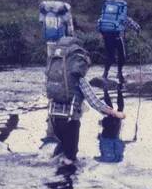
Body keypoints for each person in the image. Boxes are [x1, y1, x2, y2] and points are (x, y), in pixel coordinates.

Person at [45, 34, 125, 166]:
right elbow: (94, 102)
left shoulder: (57, 77)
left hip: (54, 120)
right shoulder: (79, 80)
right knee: (70, 157)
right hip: (70, 121)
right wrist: (115, 113)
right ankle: (65, 182)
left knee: (61, 150)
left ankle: (53, 178)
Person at [97, 1, 141, 83]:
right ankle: (119, 73)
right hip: (117, 36)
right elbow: (131, 24)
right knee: (122, 56)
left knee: (110, 55)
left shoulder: (106, 16)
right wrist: (138, 29)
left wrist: (102, 34)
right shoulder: (121, 16)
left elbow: (99, 23)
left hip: (107, 36)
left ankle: (105, 73)